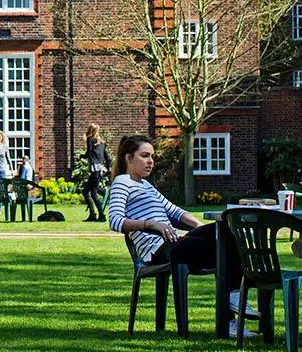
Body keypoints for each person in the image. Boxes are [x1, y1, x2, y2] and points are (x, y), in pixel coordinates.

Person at [107, 134, 254, 337]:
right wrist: (151, 224)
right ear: (128, 158)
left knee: (227, 235)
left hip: (175, 244)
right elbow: (114, 220)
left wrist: (204, 227)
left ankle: (230, 316)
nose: (150, 161)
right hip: (158, 250)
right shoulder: (122, 182)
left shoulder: (147, 185)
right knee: (226, 234)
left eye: (152, 156)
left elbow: (175, 211)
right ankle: (233, 300)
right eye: (145, 156)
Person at [82, 123, 111, 222]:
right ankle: (93, 215)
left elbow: (89, 152)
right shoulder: (101, 142)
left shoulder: (90, 139)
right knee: (87, 191)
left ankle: (100, 216)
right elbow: (107, 157)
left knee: (91, 193)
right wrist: (108, 169)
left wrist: (83, 156)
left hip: (95, 169)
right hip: (100, 170)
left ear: (90, 130)